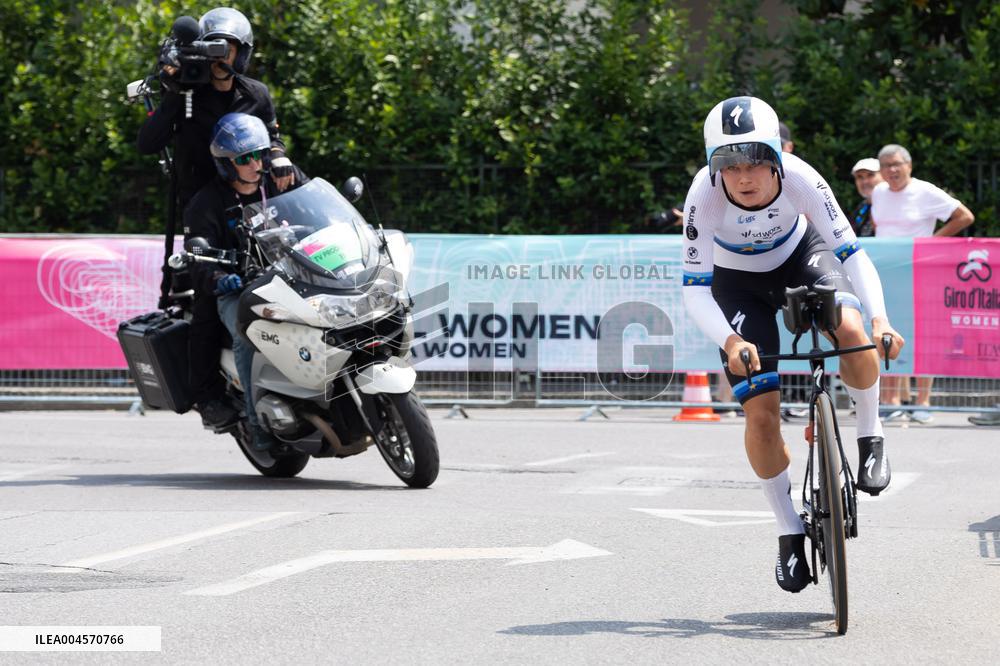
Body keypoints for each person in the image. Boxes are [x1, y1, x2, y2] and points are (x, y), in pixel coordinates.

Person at [682, 96, 904, 593]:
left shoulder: (803, 178)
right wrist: (731, 339)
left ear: (777, 158)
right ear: (714, 166)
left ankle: (871, 435)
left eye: (755, 162)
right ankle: (787, 529)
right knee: (761, 416)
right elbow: (694, 290)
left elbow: (853, 254)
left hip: (802, 258)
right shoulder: (703, 196)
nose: (743, 177)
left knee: (853, 334)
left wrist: (881, 318)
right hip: (737, 286)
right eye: (729, 165)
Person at [137, 7, 297, 429]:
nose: (219, 57)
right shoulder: (187, 93)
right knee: (209, 295)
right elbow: (147, 142)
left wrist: (279, 157)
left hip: (255, 199)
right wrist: (175, 92)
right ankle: (208, 396)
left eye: (227, 49)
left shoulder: (256, 93)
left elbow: (272, 137)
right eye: (212, 48)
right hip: (204, 208)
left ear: (243, 52)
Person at [184, 113, 308, 451]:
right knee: (248, 334)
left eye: (260, 154)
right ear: (226, 164)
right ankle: (257, 425)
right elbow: (197, 256)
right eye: (244, 159)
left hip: (295, 277)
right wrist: (221, 278)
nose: (255, 164)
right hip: (242, 288)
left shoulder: (282, 178)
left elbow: (321, 213)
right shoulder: (206, 203)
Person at [871, 144, 975, 424]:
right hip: (886, 274)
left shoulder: (925, 191)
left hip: (920, 273)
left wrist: (929, 244)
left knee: (923, 334)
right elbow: (881, 224)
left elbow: (965, 216)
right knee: (888, 332)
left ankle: (923, 402)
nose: (892, 170)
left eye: (897, 164)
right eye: (886, 165)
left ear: (909, 165)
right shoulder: (879, 192)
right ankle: (891, 401)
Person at [849, 158, 881, 237]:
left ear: (884, 176)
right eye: (859, 177)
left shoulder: (894, 204)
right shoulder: (861, 208)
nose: (865, 181)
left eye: (870, 175)